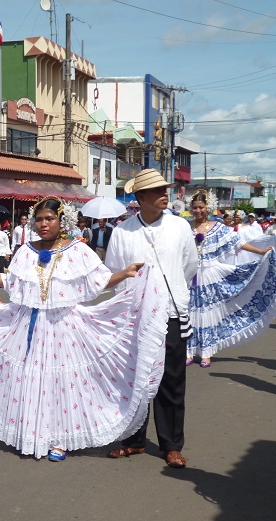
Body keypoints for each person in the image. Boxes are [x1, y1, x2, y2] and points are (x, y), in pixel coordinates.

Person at [0, 196, 163, 461]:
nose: (43, 224)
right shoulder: (25, 251)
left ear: (61, 220)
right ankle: (33, 433)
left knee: (61, 382)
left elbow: (99, 281)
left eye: (49, 218)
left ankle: (60, 439)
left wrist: (126, 273)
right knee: (32, 379)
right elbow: (12, 283)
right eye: (39, 219)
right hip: (29, 326)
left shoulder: (78, 249)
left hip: (64, 328)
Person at [105, 168, 198, 469]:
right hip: (136, 315)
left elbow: (189, 266)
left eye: (164, 189)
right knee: (135, 377)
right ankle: (133, 439)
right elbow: (114, 272)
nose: (164, 195)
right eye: (157, 191)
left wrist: (172, 293)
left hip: (170, 312)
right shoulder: (122, 232)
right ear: (140, 197)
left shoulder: (180, 227)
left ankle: (171, 444)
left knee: (172, 380)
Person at [185, 190, 276, 368]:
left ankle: (206, 353)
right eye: (195, 207)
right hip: (189, 276)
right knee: (189, 312)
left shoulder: (218, 228)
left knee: (207, 313)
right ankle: (188, 350)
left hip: (210, 276)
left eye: (201, 207)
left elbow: (238, 243)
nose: (198, 211)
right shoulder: (185, 227)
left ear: (208, 207)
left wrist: (260, 252)